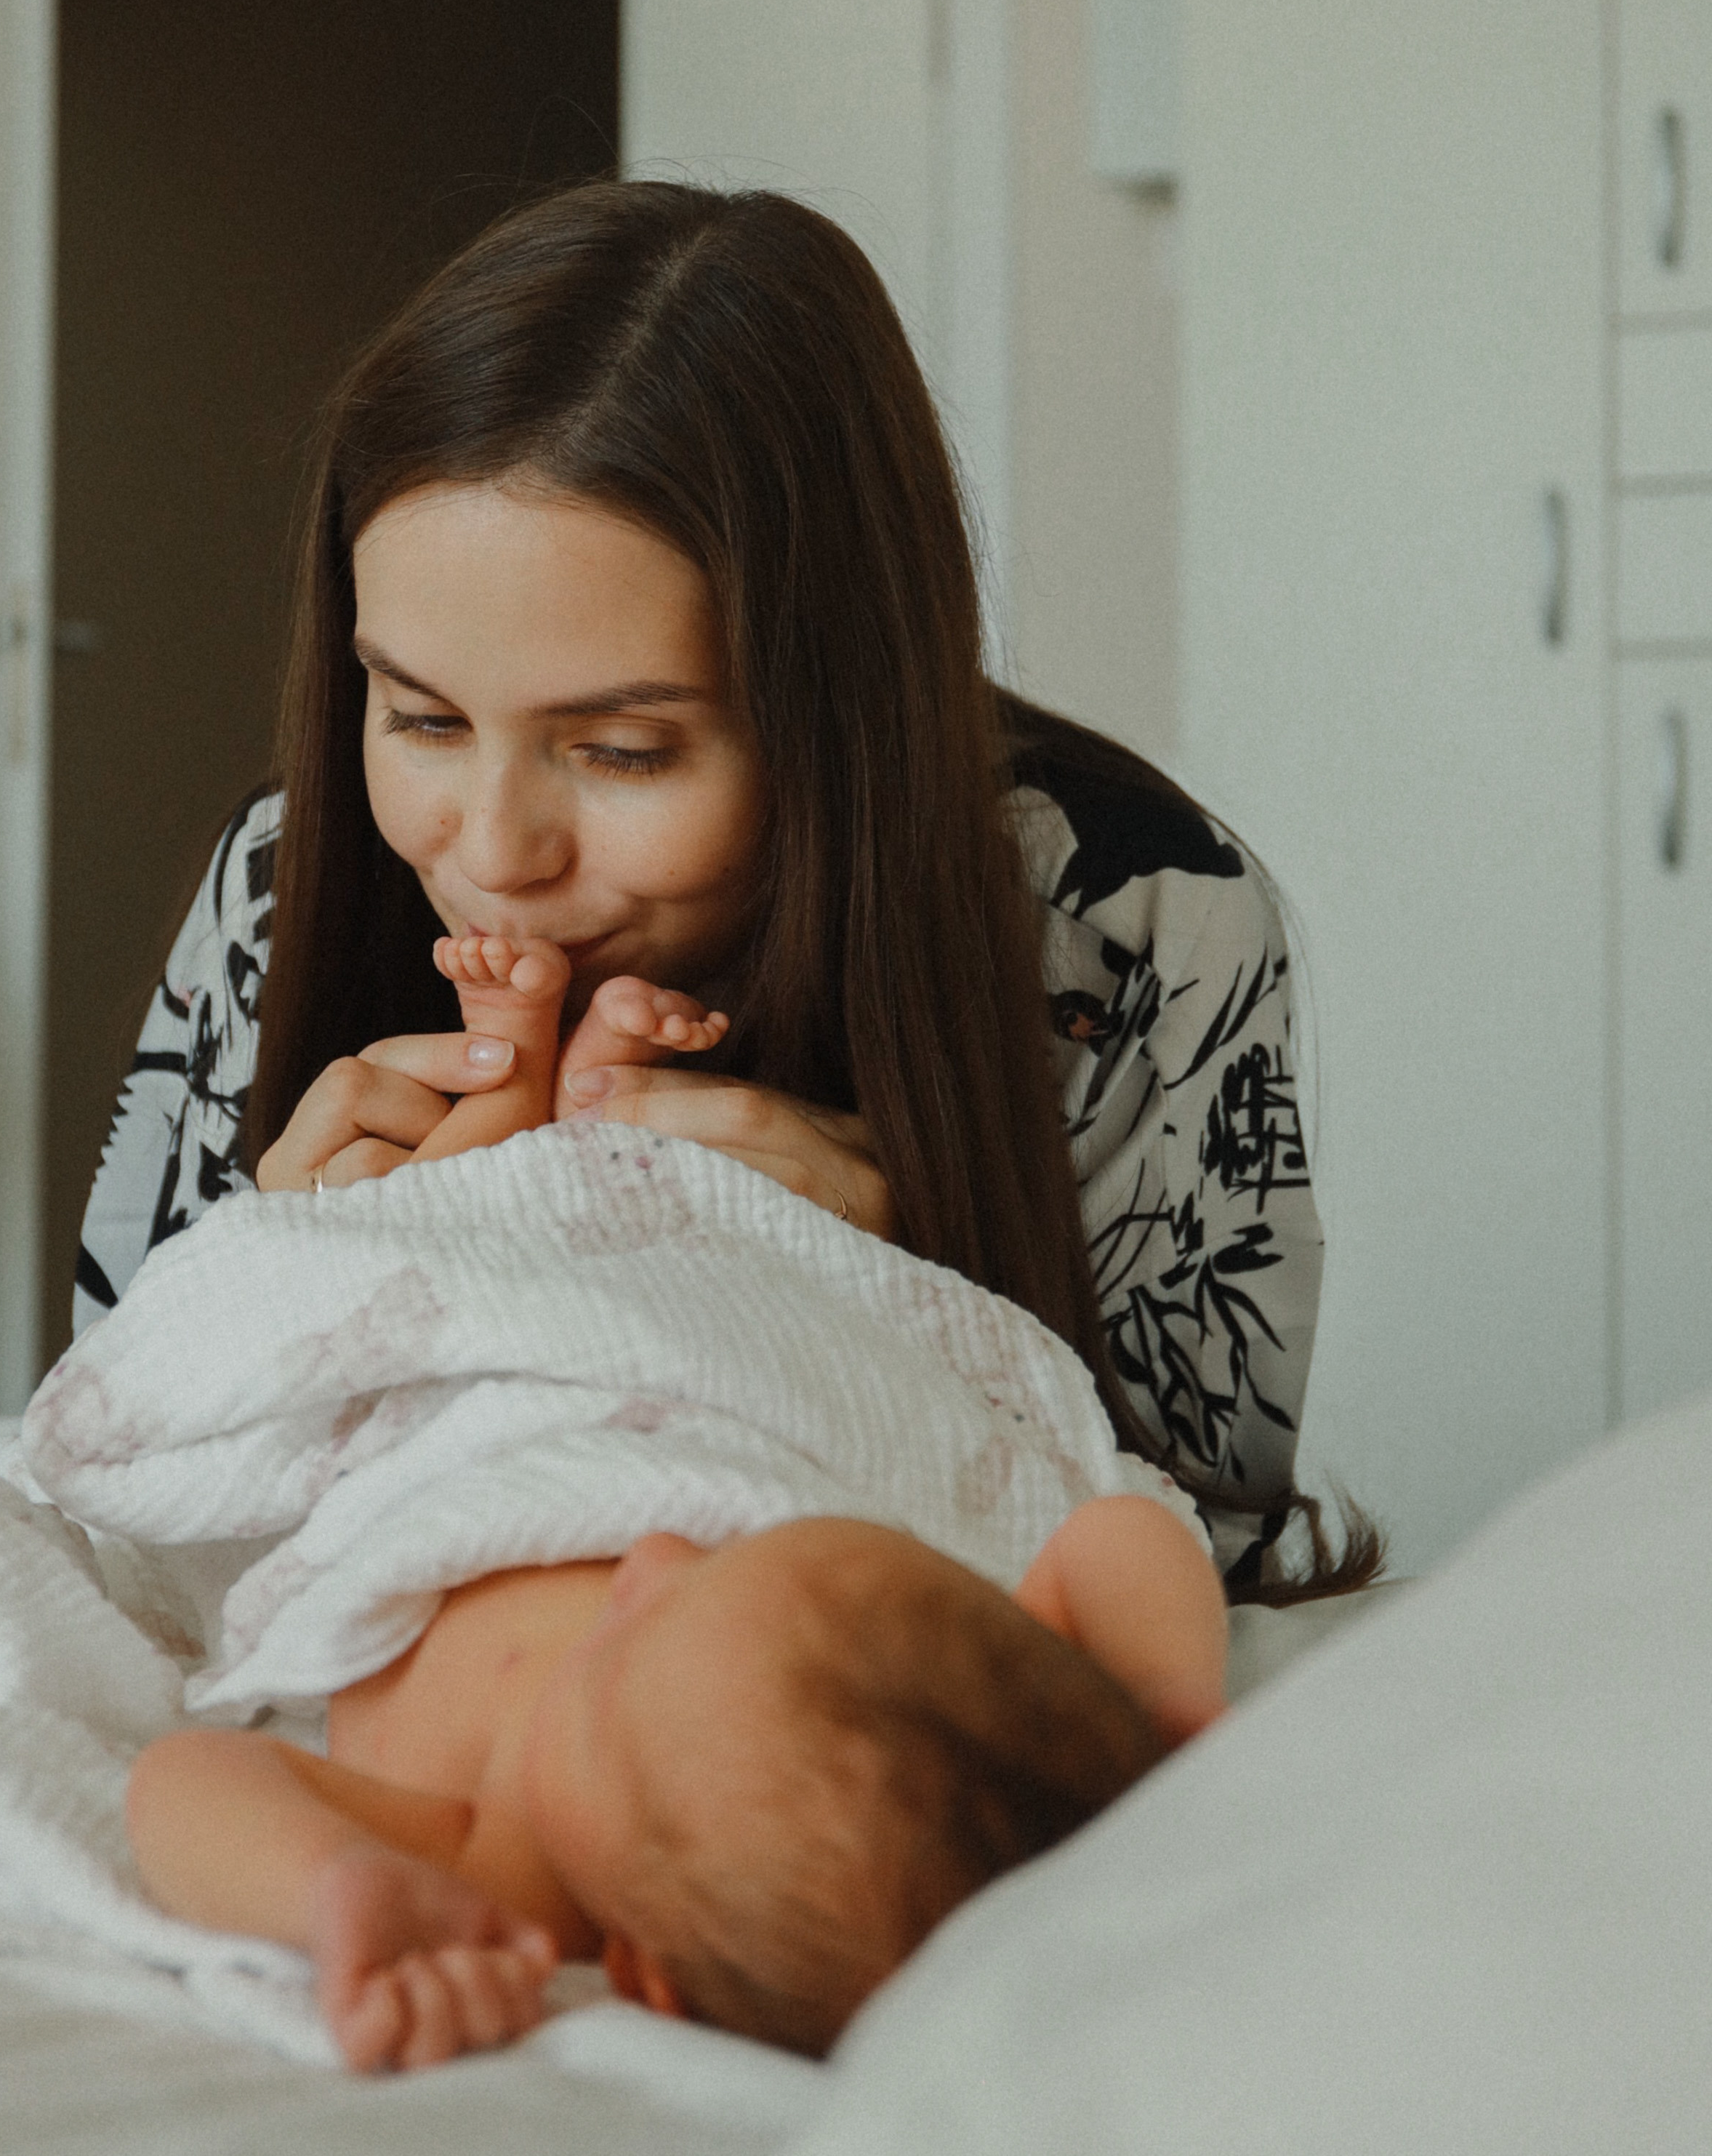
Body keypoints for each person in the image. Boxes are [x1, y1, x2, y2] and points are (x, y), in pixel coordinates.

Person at [76, 181, 1359, 1594]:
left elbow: (1205, 1568)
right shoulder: (277, 886)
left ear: (835, 714)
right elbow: (100, 1505)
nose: (494, 854)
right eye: (422, 719)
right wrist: (267, 1288)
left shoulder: (1135, 923)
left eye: (623, 751)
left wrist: (900, 1305)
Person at [126, 1491, 1226, 2070]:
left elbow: (184, 1783)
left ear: (647, 1979)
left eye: (609, 1667)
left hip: (432, 1471)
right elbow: (1114, 1529)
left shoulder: (502, 1877)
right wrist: (1160, 1700)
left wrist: (329, 1878)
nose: (653, 1551)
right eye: (723, 1557)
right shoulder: (911, 1694)